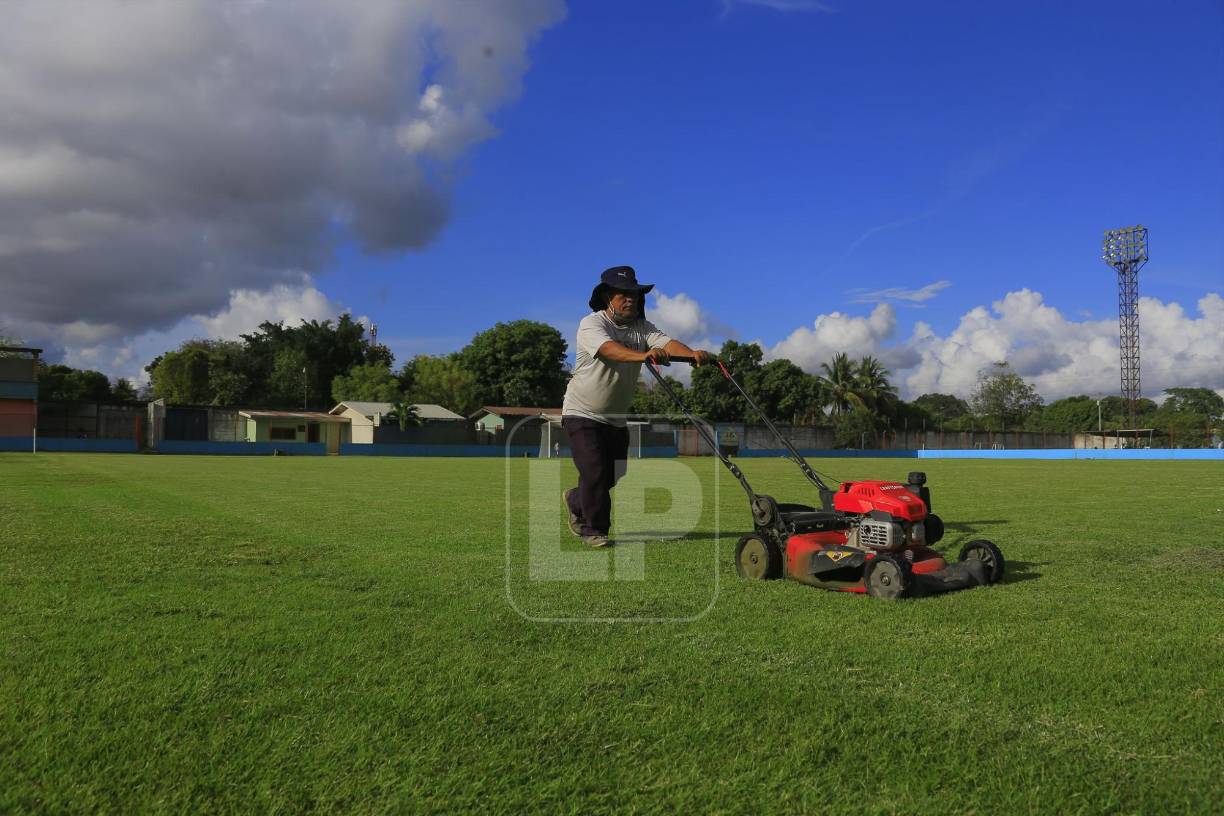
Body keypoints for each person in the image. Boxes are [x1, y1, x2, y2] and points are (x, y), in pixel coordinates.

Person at [561, 266, 713, 547]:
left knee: (614, 474)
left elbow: (667, 343)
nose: (631, 299)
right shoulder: (592, 324)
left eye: (634, 294)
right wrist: (644, 355)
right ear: (607, 296)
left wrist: (692, 354)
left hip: (615, 419)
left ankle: (576, 500)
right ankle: (595, 530)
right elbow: (609, 350)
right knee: (594, 470)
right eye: (623, 294)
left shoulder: (643, 328)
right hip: (581, 412)